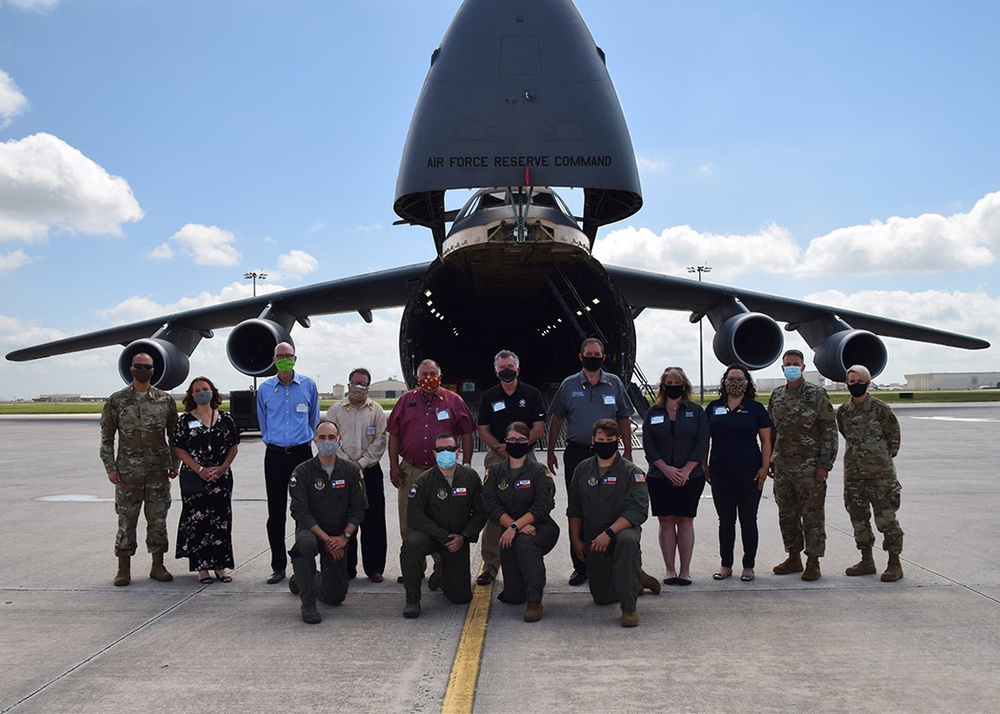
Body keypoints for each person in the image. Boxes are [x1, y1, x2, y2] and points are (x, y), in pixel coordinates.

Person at [548, 337, 635, 586]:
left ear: (603, 358)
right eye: (589, 354)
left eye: (598, 354)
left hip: (608, 454)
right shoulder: (569, 385)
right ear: (581, 356)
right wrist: (551, 450)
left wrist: (628, 450)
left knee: (609, 505)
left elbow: (624, 418)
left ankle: (608, 560)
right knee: (579, 508)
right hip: (578, 453)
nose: (593, 357)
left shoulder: (614, 384)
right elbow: (556, 420)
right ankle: (581, 566)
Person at [387, 359, 475, 586]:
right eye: (424, 374)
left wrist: (465, 464)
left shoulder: (454, 401)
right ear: (417, 378)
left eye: (433, 373)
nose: (429, 377)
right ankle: (413, 568)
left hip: (442, 472)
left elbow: (467, 434)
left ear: (440, 375)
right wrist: (394, 466)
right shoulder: (406, 401)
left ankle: (441, 569)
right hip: (411, 470)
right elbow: (394, 435)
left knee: (440, 522)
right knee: (408, 521)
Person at [567, 419, 659, 628]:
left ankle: (629, 609)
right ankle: (636, 577)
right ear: (593, 440)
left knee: (627, 543)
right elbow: (574, 509)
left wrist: (609, 532)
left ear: (618, 441)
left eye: (610, 439)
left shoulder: (631, 472)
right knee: (601, 598)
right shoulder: (582, 470)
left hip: (621, 530)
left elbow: (637, 511)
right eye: (601, 439)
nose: (605, 443)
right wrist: (576, 540)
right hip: (593, 535)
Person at [100, 352, 180, 586]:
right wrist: (110, 467)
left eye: (148, 366)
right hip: (128, 474)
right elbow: (106, 438)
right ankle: (123, 568)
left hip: (157, 472)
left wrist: (175, 463)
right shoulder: (117, 400)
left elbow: (175, 436)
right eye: (139, 366)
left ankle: (158, 565)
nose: (143, 369)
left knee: (158, 519)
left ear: (153, 370)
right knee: (126, 520)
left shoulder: (165, 400)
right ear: (131, 369)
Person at [475, 350, 547, 587]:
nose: (507, 370)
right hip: (497, 457)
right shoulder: (489, 397)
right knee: (494, 510)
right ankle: (490, 566)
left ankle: (528, 562)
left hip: (526, 454)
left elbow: (539, 426)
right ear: (496, 371)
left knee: (529, 505)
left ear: (518, 369)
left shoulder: (531, 394)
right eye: (502, 367)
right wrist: (499, 447)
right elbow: (482, 428)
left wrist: (520, 444)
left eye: (510, 366)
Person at [287, 420, 368, 624]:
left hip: (340, 534)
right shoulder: (302, 472)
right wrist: (327, 540)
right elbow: (300, 511)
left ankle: (303, 577)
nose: (327, 441)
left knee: (335, 597)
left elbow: (358, 509)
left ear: (339, 440)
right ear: (314, 440)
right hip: (312, 531)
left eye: (331, 437)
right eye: (322, 437)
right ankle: (308, 604)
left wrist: (344, 538)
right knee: (303, 546)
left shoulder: (351, 471)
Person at [768, 349, 838, 581]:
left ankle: (813, 561)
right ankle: (793, 556)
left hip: (809, 468)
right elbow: (771, 432)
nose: (791, 367)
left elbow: (829, 431)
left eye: (795, 364)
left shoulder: (817, 395)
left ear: (803, 367)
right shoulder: (777, 395)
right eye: (788, 364)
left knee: (812, 515)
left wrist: (824, 464)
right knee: (786, 514)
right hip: (783, 467)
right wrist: (770, 460)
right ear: (782, 368)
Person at [400, 433, 486, 618]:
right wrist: (443, 536)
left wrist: (463, 536)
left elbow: (480, 512)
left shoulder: (470, 477)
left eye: (450, 449)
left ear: (458, 452)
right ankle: (412, 599)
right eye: (440, 450)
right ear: (434, 453)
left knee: (460, 597)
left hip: (458, 539)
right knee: (411, 545)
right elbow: (414, 516)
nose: (445, 453)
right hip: (431, 536)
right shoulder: (424, 480)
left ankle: (442, 575)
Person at [481, 422, 559, 622]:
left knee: (526, 542)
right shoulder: (495, 472)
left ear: (529, 443)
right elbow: (491, 505)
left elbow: (543, 505)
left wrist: (516, 526)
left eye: (522, 440)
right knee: (514, 596)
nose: (517, 443)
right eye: (513, 440)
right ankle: (522, 587)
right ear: (505, 442)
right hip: (509, 532)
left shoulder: (539, 472)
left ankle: (535, 601)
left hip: (540, 528)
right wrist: (513, 527)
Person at [256, 342, 320, 585]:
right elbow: (263, 421)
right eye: (280, 356)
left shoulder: (308, 386)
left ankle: (302, 561)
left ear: (295, 358)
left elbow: (313, 420)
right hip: (274, 455)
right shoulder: (264, 389)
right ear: (273, 359)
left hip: (301, 454)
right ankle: (278, 565)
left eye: (288, 356)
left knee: (303, 510)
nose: (284, 359)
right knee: (276, 512)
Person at [836, 364, 904, 582]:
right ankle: (867, 560)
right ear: (846, 384)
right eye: (852, 382)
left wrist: (879, 459)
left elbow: (893, 439)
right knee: (858, 517)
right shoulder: (844, 412)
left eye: (859, 381)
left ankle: (894, 563)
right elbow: (846, 434)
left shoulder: (881, 409)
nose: (856, 385)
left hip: (880, 476)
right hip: (854, 475)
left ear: (868, 382)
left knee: (886, 519)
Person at [704, 364, 772, 582]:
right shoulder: (714, 408)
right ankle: (726, 565)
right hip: (720, 472)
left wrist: (764, 467)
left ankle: (748, 566)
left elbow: (766, 441)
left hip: (749, 473)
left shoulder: (756, 409)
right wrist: (704, 465)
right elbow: (705, 439)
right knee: (725, 521)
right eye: (731, 379)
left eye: (740, 379)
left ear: (747, 382)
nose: (735, 383)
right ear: (724, 382)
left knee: (748, 520)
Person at [642, 367, 708, 586]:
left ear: (684, 385)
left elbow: (701, 443)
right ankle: (670, 570)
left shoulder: (696, 411)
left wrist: (686, 470)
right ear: (663, 386)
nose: (673, 386)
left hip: (691, 476)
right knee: (666, 521)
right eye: (668, 382)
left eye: (676, 382)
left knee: (685, 521)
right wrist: (666, 469)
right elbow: (649, 445)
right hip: (660, 477)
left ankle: (685, 571)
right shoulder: (654, 412)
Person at [172, 376, 240, 584]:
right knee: (197, 521)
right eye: (197, 390)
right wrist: (199, 469)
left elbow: (233, 446)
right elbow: (179, 448)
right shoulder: (185, 420)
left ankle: (221, 566)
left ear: (213, 392)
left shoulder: (226, 418)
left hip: (221, 477)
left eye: (205, 388)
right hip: (195, 477)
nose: (202, 392)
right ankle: (202, 567)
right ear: (191, 395)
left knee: (221, 521)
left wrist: (221, 469)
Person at [326, 367, 388, 583]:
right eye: (356, 383)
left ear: (368, 386)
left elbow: (381, 441)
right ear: (349, 383)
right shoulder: (336, 410)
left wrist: (361, 463)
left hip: (369, 471)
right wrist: (349, 464)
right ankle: (347, 568)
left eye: (363, 384)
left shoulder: (376, 410)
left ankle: (374, 568)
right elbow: (330, 438)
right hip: (342, 471)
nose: (359, 387)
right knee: (344, 520)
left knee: (373, 521)